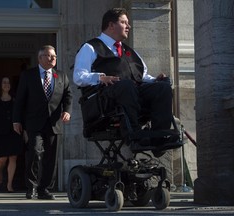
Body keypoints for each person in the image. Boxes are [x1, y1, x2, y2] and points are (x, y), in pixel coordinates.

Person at [73, 8, 176, 147]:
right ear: (111, 25)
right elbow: (78, 76)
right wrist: (100, 78)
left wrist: (155, 80)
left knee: (162, 87)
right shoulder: (90, 47)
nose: (129, 26)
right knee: (126, 86)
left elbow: (142, 76)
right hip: (106, 100)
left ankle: (160, 137)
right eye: (124, 22)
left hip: (131, 95)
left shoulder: (129, 51)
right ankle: (134, 136)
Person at [13, 45, 73, 200]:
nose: (52, 58)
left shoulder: (62, 76)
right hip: (34, 123)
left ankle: (44, 189)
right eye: (48, 55)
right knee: (35, 152)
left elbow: (68, 96)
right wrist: (16, 120)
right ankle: (31, 187)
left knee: (51, 158)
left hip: (54, 123)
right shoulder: (28, 75)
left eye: (54, 56)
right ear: (40, 58)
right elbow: (20, 100)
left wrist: (67, 111)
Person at [0, 76, 23, 192]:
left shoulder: (15, 99)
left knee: (13, 157)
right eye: (4, 82)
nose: (6, 84)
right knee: (2, 158)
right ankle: (0, 173)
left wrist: (25, 131)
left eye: (8, 82)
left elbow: (22, 115)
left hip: (15, 132)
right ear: (0, 85)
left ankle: (9, 184)